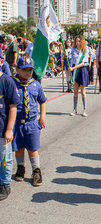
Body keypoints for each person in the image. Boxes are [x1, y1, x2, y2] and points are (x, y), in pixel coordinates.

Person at [13, 56, 47, 187]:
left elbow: (42, 101)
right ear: (17, 69)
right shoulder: (12, 83)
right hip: (17, 123)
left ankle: (36, 170)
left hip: (32, 122)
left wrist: (42, 117)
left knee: (33, 148)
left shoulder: (35, 84)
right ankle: (20, 167)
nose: (27, 73)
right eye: (24, 69)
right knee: (19, 147)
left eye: (30, 70)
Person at [0, 65, 19, 200]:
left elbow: (13, 107)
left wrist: (9, 130)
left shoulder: (7, 81)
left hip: (2, 129)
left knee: (5, 159)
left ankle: (5, 184)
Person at [69, 35, 90, 116]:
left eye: (79, 41)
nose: (77, 43)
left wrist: (73, 67)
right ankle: (74, 109)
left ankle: (85, 110)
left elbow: (83, 63)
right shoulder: (73, 50)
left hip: (82, 71)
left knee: (83, 92)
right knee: (75, 92)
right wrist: (66, 55)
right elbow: (69, 56)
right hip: (74, 71)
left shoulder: (85, 50)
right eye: (76, 41)